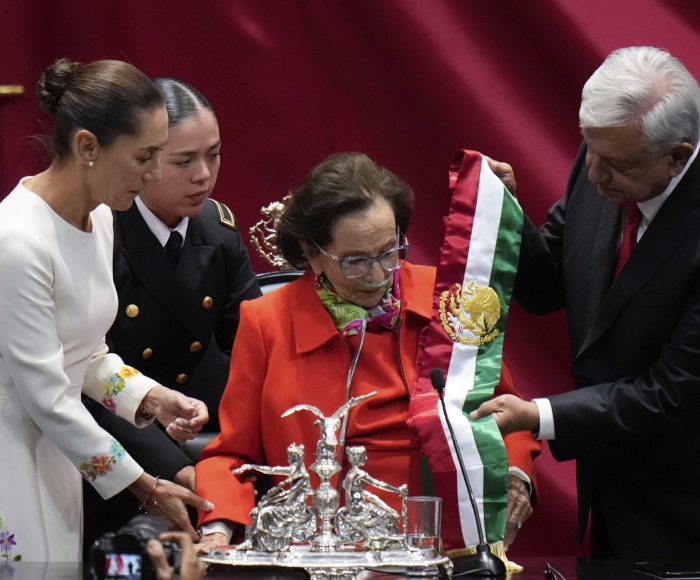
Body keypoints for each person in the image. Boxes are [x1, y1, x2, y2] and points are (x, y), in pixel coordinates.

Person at [195, 152, 540, 554]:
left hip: (444, 538)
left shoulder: (447, 300)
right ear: (311, 252)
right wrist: (216, 532)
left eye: (389, 251)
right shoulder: (265, 322)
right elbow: (232, 456)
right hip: (322, 545)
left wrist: (517, 474)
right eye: (356, 261)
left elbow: (506, 412)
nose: (378, 275)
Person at [473, 46, 700, 559]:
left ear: (678, 156)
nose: (594, 174)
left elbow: (671, 392)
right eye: (588, 150)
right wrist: (505, 215)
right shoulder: (605, 155)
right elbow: (545, 282)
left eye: (615, 164)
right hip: (614, 497)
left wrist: (538, 414)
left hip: (687, 512)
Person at [0, 58, 213, 563]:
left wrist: (154, 398)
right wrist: (145, 486)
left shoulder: (100, 216)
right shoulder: (16, 241)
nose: (155, 173)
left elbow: (86, 352)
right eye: (144, 157)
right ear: (88, 147)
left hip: (60, 450)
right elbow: (47, 396)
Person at [82, 77, 261, 556]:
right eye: (184, 161)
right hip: (114, 441)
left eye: (214, 155)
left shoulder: (217, 229)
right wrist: (177, 468)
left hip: (201, 425)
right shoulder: (100, 229)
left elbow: (251, 343)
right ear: (141, 158)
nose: (204, 174)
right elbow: (84, 373)